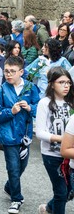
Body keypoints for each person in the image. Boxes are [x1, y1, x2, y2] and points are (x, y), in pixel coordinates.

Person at [0, 56, 40, 214]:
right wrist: (10, 112)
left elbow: (39, 107)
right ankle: (16, 199)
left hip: (25, 135)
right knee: (13, 167)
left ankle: (9, 186)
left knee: (22, 166)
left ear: (21, 72)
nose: (8, 74)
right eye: (6, 71)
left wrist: (30, 108)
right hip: (8, 135)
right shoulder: (1, 90)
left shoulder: (31, 88)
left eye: (12, 71)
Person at [36, 66, 74, 214]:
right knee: (61, 191)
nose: (66, 86)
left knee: (69, 189)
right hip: (52, 155)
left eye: (68, 82)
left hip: (70, 155)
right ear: (52, 84)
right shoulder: (44, 103)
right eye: (61, 82)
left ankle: (48, 208)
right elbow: (39, 132)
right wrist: (63, 139)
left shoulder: (71, 102)